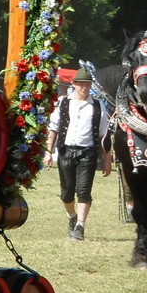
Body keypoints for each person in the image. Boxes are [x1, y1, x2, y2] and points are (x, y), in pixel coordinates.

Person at [45, 68, 111, 240]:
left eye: (87, 84)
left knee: (84, 191)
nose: (84, 87)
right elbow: (54, 128)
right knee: (66, 193)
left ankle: (80, 225)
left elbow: (104, 135)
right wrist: (48, 152)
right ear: (73, 84)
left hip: (88, 153)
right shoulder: (63, 103)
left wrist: (107, 160)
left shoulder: (98, 105)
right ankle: (72, 217)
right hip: (66, 151)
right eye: (80, 84)